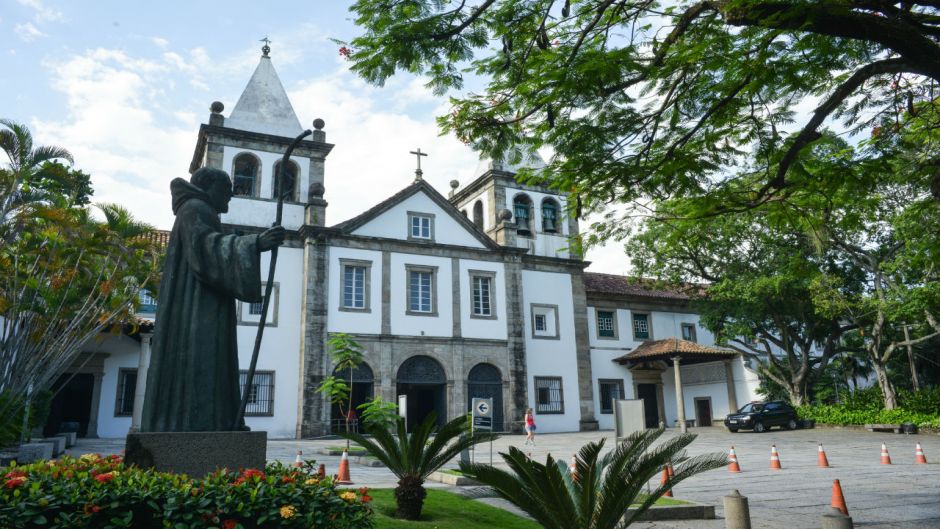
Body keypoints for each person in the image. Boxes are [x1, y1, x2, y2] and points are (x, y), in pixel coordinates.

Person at [140, 167, 284, 432]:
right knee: (204, 359)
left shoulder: (200, 210)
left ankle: (213, 420)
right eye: (226, 190)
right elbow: (206, 247)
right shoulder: (195, 208)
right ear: (210, 187)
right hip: (196, 307)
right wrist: (255, 243)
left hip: (203, 301)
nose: (231, 196)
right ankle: (203, 422)